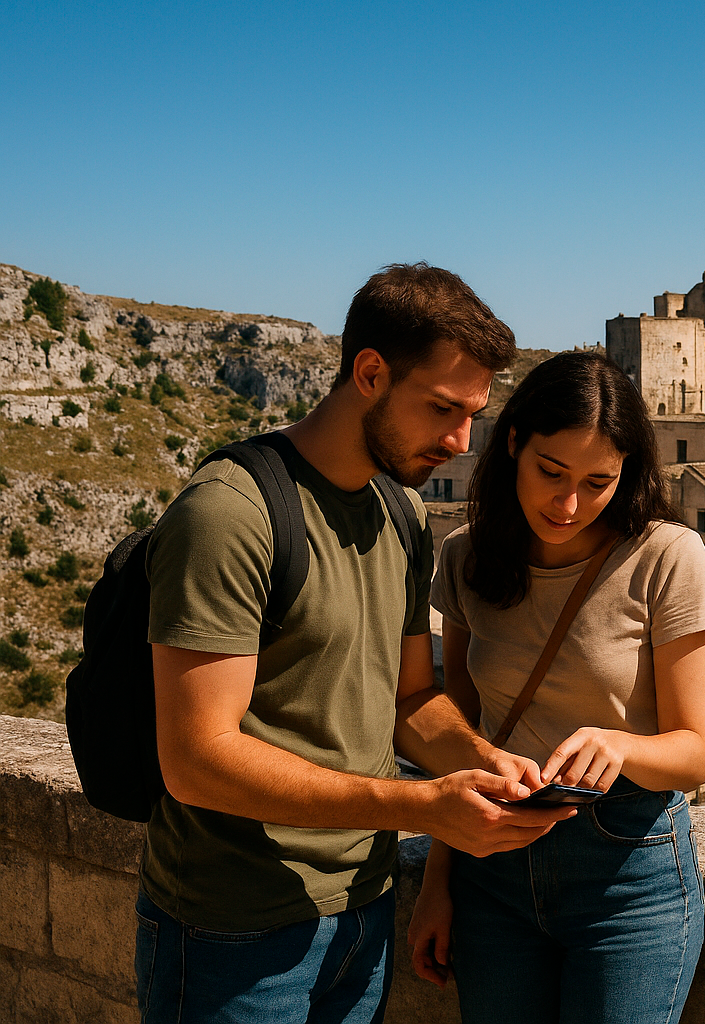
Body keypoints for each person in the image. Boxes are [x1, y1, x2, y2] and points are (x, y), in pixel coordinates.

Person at [137, 263, 574, 1024]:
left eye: (473, 413)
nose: (460, 440)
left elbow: (410, 699)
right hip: (233, 931)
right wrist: (418, 807)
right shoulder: (228, 516)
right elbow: (195, 760)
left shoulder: (400, 512)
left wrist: (482, 763)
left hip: (362, 915)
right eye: (442, 408)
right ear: (369, 373)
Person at [407, 350, 705, 1024]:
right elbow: (461, 732)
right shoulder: (464, 555)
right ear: (514, 444)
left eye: (598, 482)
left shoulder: (667, 557)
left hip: (626, 879)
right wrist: (439, 880)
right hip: (490, 874)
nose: (569, 503)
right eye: (551, 473)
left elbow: (695, 754)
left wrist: (619, 746)